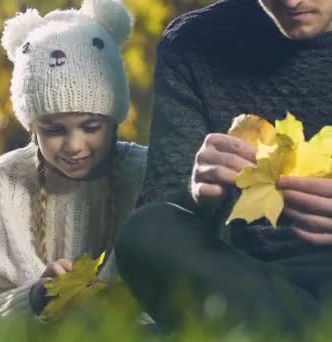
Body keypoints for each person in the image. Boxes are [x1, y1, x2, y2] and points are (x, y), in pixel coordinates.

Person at [115, 0, 332, 335]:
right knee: (145, 232)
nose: (291, 2)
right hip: (245, 280)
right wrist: (198, 192)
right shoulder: (193, 43)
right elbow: (162, 205)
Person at [0, 0, 147, 330]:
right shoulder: (4, 181)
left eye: (91, 127)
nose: (75, 145)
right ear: (32, 126)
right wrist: (35, 296)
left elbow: (170, 300)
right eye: (53, 130)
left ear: (114, 117)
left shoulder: (142, 174)